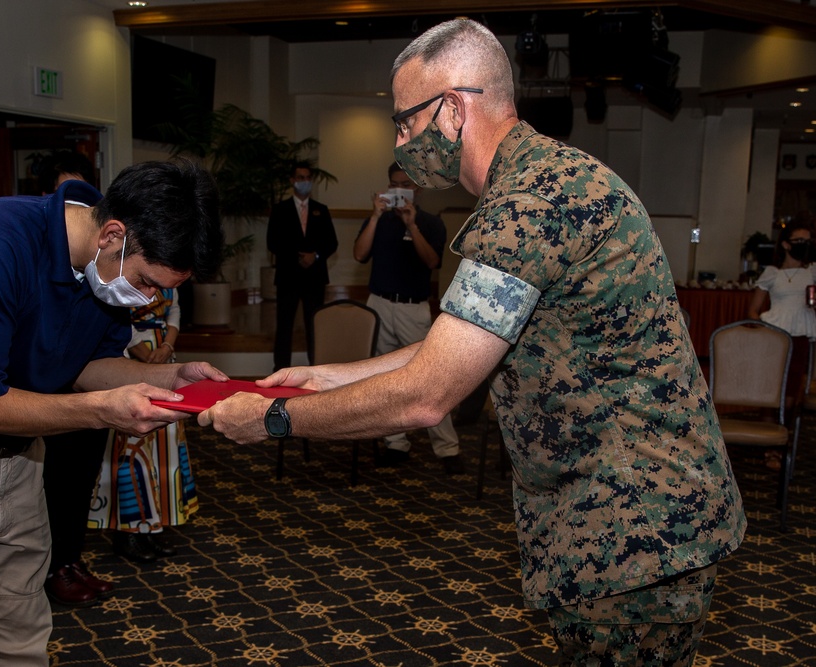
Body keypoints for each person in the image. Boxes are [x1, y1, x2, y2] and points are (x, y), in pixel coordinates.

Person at [201, 19, 745, 665]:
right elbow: (465, 343)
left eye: (405, 122)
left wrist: (274, 419)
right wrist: (333, 376)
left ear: (454, 108)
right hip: (632, 512)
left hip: (631, 524)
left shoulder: (529, 204)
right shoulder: (548, 179)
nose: (402, 143)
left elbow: (428, 397)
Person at [0, 159, 226, 665]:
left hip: (21, 458)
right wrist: (101, 410)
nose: (149, 300)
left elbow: (85, 367)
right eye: (146, 281)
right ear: (113, 234)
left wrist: (170, 378)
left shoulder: (107, 271)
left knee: (23, 631)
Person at [36, 151, 115, 607]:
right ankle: (50, 569)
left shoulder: (97, 267)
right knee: (47, 487)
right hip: (44, 404)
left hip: (86, 396)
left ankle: (70, 560)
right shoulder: (17, 249)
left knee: (79, 484)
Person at [355, 161, 462, 474]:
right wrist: (375, 215)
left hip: (413, 308)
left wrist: (411, 225)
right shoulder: (379, 220)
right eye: (395, 184)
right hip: (379, 304)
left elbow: (432, 262)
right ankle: (396, 443)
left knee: (430, 377)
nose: (401, 190)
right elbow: (359, 254)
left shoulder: (430, 223)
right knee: (382, 380)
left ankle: (447, 450)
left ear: (418, 187)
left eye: (407, 184)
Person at [89, 288, 197, 563]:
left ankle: (151, 526)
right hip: (126, 357)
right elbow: (115, 316)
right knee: (131, 449)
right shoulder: (127, 274)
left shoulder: (171, 276)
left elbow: (174, 311)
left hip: (163, 354)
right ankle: (128, 531)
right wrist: (145, 352)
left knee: (161, 450)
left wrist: (167, 347)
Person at [747, 216, 816, 470]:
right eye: (800, 241)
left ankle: (785, 442)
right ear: (786, 245)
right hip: (774, 338)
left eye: (809, 241)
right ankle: (770, 448)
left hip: (800, 337)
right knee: (769, 391)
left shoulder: (812, 270)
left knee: (792, 395)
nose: (805, 245)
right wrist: (764, 332)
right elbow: (753, 310)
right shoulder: (772, 273)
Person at [267, 161, 338, 370]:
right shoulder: (280, 210)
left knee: (314, 325)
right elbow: (273, 242)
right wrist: (298, 256)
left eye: (308, 178)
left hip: (314, 277)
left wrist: (314, 256)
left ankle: (315, 368)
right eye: (300, 178)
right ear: (292, 181)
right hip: (288, 276)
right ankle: (280, 370)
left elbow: (332, 242)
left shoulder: (321, 210)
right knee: (284, 325)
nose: (304, 182)